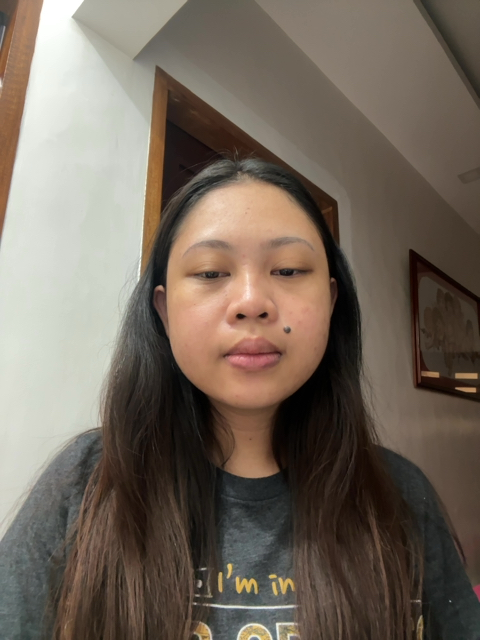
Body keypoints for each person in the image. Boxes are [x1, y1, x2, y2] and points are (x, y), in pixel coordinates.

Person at [1, 157, 479, 640]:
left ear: (332, 301)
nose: (252, 302)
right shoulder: (85, 484)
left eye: (289, 269)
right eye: (211, 273)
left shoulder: (400, 494)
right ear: (164, 311)